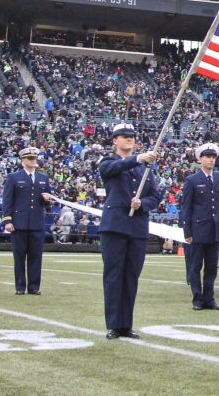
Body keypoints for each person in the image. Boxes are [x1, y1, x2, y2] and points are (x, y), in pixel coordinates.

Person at [97, 123, 162, 339]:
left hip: (136, 228)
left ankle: (126, 325)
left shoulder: (144, 169)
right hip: (115, 226)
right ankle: (114, 324)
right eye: (123, 137)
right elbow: (111, 170)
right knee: (114, 276)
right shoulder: (109, 162)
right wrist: (138, 159)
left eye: (131, 137)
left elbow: (155, 196)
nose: (128, 140)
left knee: (131, 276)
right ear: (114, 140)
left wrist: (141, 203)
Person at [179, 143, 219, 310]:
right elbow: (186, 207)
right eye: (207, 157)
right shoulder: (192, 180)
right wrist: (187, 230)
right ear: (200, 159)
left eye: (213, 157)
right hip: (198, 229)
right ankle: (197, 299)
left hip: (214, 230)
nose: (211, 160)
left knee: (212, 267)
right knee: (195, 267)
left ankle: (209, 299)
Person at [1, 146, 52, 295]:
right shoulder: (13, 177)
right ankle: (20, 287)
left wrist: (47, 200)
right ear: (23, 160)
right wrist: (7, 221)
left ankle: (34, 287)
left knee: (36, 257)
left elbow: (48, 204)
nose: (33, 161)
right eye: (30, 158)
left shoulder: (43, 178)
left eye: (34, 158)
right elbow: (7, 201)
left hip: (37, 223)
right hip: (19, 223)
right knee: (19, 257)